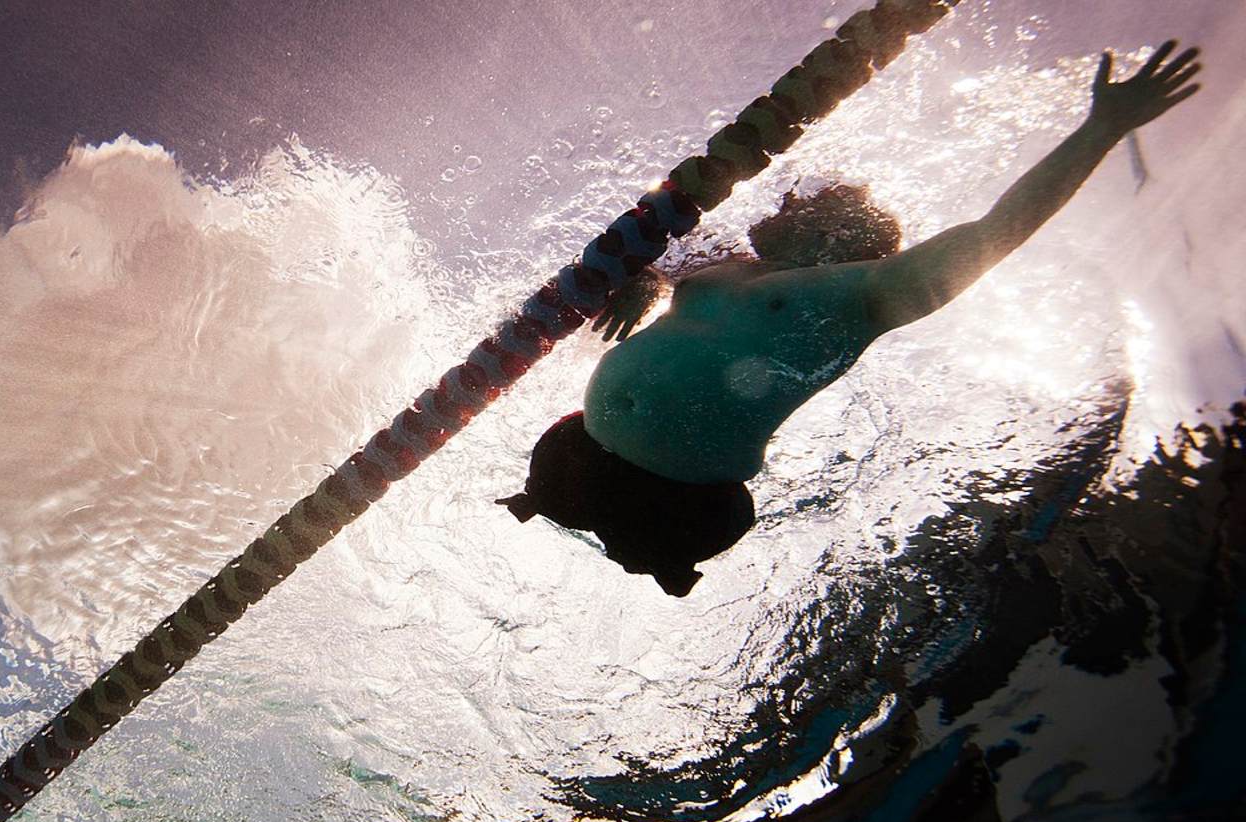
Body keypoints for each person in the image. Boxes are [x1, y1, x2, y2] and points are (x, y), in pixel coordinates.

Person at [498, 41, 1202, 596]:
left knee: (642, 538)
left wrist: (1103, 129)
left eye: (806, 205)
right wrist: (641, 285)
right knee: (558, 481)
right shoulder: (730, 265)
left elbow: (1001, 229)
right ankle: (546, 504)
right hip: (598, 449)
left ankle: (668, 567)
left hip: (683, 488)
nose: (783, 205)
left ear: (842, 235)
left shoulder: (867, 298)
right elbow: (663, 271)